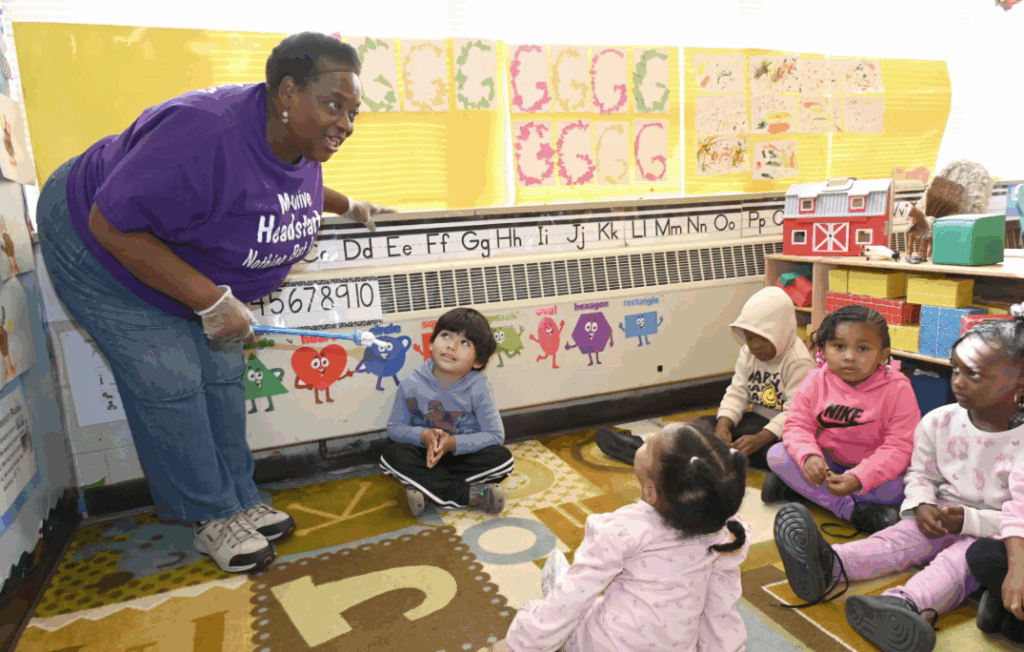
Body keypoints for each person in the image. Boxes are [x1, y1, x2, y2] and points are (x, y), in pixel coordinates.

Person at [36, 32, 393, 574]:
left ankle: (238, 498)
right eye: (333, 105)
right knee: (171, 376)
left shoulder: (297, 136)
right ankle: (210, 514)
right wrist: (209, 298)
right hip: (96, 239)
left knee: (222, 370)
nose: (345, 123)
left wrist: (348, 205)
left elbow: (285, 185)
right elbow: (111, 224)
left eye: (353, 111)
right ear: (288, 93)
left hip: (175, 254)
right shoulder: (204, 131)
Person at [772, 306, 1024, 652]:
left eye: (975, 374)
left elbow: (1018, 517)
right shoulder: (940, 421)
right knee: (897, 540)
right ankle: (830, 564)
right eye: (955, 370)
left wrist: (968, 519)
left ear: (1019, 383)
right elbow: (920, 472)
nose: (958, 382)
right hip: (938, 511)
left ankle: (904, 604)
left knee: (958, 564)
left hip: (991, 530)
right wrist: (921, 504)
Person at [493, 421, 750, 652]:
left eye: (648, 443)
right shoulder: (726, 532)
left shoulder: (624, 529)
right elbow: (720, 608)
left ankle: (556, 582)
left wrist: (519, 644)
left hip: (608, 644)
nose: (645, 439)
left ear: (650, 492)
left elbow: (576, 594)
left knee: (571, 596)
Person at [596, 286, 814, 469]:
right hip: (755, 422)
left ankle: (667, 458)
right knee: (702, 427)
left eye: (763, 339)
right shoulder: (748, 353)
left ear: (781, 332)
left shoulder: (798, 362)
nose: (755, 346)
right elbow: (737, 393)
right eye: (749, 338)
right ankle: (646, 445)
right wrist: (723, 424)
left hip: (783, 431)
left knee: (777, 454)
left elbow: (795, 413)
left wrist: (762, 438)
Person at [764, 305, 920, 534]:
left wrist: (859, 477)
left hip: (873, 473)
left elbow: (900, 447)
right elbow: (797, 425)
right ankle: (851, 510)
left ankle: (803, 490)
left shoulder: (898, 389)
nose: (849, 356)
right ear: (823, 350)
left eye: (863, 348)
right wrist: (809, 457)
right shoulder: (815, 379)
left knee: (901, 489)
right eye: (838, 346)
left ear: (883, 355)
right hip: (829, 465)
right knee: (776, 455)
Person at [379, 307, 513, 515]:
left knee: (503, 459)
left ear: (478, 361)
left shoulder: (479, 386)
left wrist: (453, 444)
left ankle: (427, 489)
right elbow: (395, 428)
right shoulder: (412, 382)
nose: (451, 346)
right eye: (446, 335)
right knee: (391, 456)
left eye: (465, 343)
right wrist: (424, 436)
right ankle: (469, 494)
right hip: (425, 455)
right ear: (431, 343)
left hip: (464, 455)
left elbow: (495, 436)